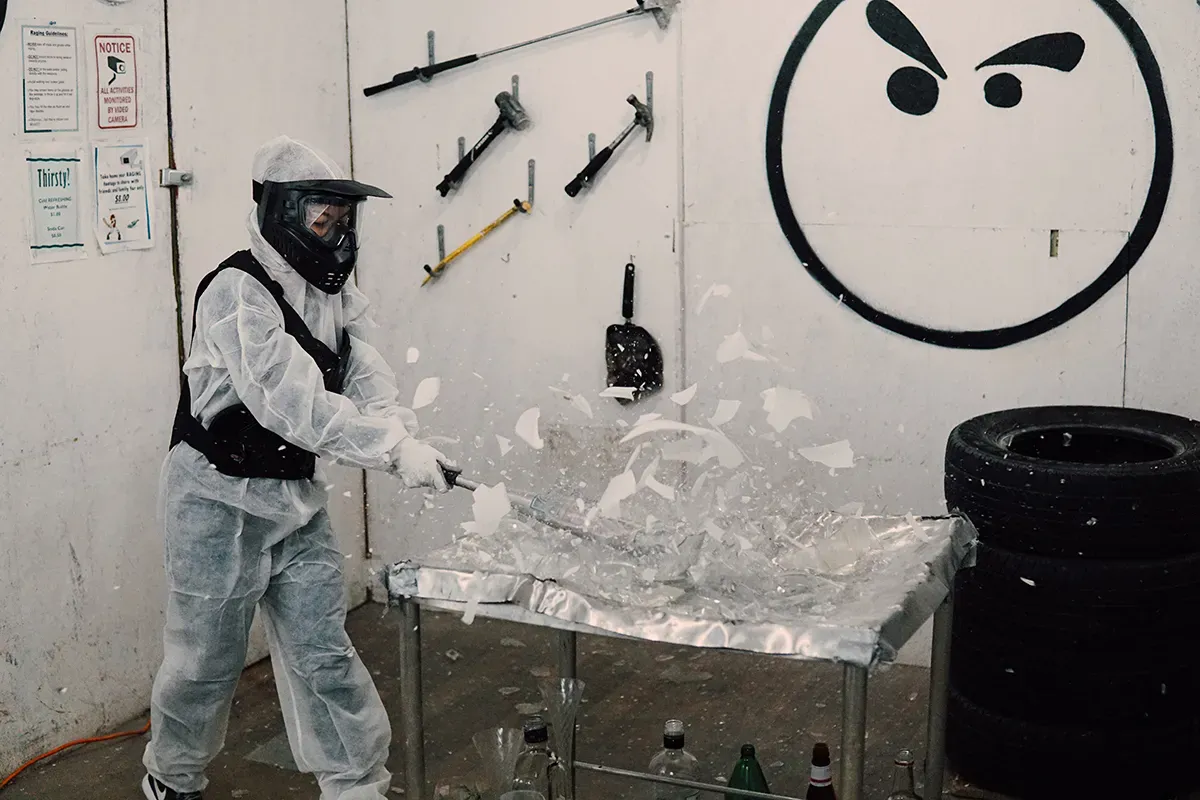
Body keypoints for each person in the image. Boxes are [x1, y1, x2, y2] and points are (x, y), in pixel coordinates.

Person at [141, 136, 453, 800]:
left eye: (343, 218)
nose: (336, 231)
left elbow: (363, 373)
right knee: (205, 663)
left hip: (293, 501)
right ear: (282, 211)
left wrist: (404, 434)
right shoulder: (236, 292)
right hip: (215, 503)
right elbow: (292, 405)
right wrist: (390, 452)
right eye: (323, 217)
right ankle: (173, 778)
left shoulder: (330, 292)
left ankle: (356, 785)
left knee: (323, 654)